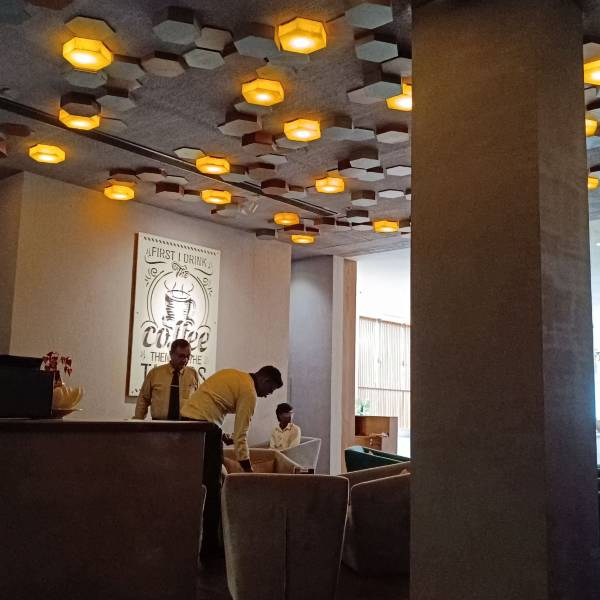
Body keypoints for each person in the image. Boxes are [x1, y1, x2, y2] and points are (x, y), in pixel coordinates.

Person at [181, 365, 283, 558]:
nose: (267, 395)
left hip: (186, 422)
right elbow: (242, 434)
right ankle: (210, 550)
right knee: (213, 489)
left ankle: (186, 544)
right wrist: (247, 468)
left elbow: (210, 402)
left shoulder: (235, 375)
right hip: (206, 428)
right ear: (265, 380)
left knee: (191, 485)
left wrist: (223, 436)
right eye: (270, 390)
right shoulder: (249, 392)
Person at [134, 339, 198, 420]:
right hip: (159, 424)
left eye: (188, 356)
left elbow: (199, 401)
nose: (185, 360)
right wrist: (138, 422)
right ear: (171, 354)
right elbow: (143, 399)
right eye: (181, 356)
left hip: (185, 425)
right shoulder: (155, 373)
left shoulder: (193, 374)